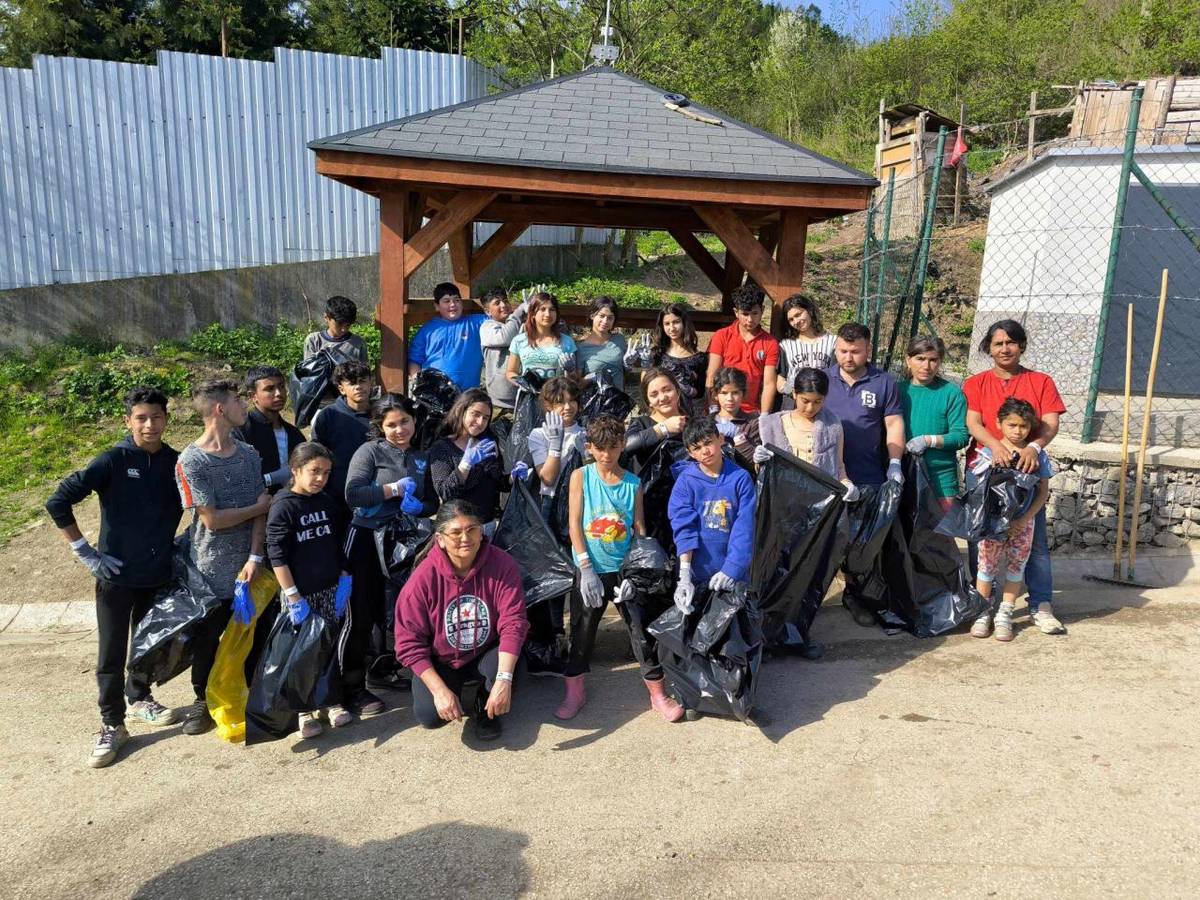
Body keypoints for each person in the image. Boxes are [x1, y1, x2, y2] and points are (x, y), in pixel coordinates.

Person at [46, 387, 184, 768]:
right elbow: (57, 501)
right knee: (110, 651)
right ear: (128, 421)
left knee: (147, 643)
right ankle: (112, 723)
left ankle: (139, 697)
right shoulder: (113, 460)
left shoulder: (176, 461)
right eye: (141, 418)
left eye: (156, 417)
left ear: (166, 419)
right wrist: (85, 552)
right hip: (116, 576)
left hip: (157, 573)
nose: (149, 424)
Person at [560, 415, 684, 723]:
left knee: (639, 631)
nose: (606, 455)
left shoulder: (633, 483)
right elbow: (574, 523)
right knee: (582, 631)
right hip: (590, 569)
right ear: (590, 448)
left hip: (624, 572)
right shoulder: (581, 476)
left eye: (613, 448)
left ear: (621, 447)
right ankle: (574, 691)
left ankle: (657, 693)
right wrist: (585, 567)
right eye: (600, 449)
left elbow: (639, 530)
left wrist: (636, 575)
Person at [174, 380, 271, 735]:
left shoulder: (249, 454)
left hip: (252, 565)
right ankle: (203, 699)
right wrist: (255, 508)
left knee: (253, 633)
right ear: (219, 409)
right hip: (209, 569)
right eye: (236, 400)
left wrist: (255, 557)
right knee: (207, 638)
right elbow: (211, 519)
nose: (243, 405)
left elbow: (264, 509)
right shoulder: (190, 461)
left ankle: (248, 694)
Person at [962, 319, 1067, 636]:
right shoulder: (976, 383)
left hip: (1026, 474)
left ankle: (1041, 604)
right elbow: (974, 422)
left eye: (1011, 342)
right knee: (983, 543)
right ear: (988, 349)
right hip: (985, 470)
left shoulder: (1041, 382)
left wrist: (1034, 447)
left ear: (1021, 345)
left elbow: (1049, 422)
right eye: (998, 343)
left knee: (1032, 543)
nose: (1004, 348)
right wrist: (994, 446)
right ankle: (983, 607)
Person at [394, 500, 528, 741]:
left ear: (481, 530)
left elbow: (513, 622)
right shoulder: (422, 579)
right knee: (430, 717)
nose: (465, 538)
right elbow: (408, 643)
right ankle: (451, 691)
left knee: (513, 667)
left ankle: (484, 706)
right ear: (440, 539)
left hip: (487, 650)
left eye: (472, 529)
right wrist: (439, 691)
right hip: (443, 659)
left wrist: (504, 680)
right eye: (455, 532)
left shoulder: (502, 565)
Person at [343, 395, 438, 703]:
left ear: (414, 420)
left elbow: (432, 503)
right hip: (367, 540)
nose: (399, 430)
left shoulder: (421, 457)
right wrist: (391, 491)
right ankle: (353, 685)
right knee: (363, 610)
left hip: (404, 540)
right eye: (391, 425)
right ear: (380, 427)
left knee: (398, 607)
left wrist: (419, 506)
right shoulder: (369, 451)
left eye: (405, 422)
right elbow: (353, 493)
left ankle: (385, 669)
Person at [668, 417, 757, 717]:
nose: (705, 451)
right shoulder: (686, 482)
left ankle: (735, 698)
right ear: (689, 453)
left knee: (731, 640)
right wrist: (684, 575)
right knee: (695, 638)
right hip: (697, 573)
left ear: (720, 439)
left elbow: (744, 529)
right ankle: (695, 696)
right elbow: (683, 527)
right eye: (697, 447)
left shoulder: (741, 479)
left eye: (708, 442)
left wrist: (732, 569)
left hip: (732, 575)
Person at [265, 442, 354, 737]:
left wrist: (343, 575)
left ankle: (331, 701)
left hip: (329, 589)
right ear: (295, 470)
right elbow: (277, 555)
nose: (320, 478)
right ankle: (303, 711)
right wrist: (291, 595)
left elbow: (335, 542)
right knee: (301, 652)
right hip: (300, 594)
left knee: (328, 646)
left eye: (326, 473)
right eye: (314, 471)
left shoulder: (326, 502)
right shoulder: (283, 505)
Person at [968, 399, 1052, 642]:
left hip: (1022, 526)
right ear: (999, 424)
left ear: (1031, 428)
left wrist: (1024, 519)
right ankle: (982, 613)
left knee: (1016, 569)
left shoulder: (1038, 457)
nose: (1017, 431)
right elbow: (978, 490)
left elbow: (1042, 492)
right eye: (1012, 425)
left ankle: (1005, 615)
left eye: (1023, 426)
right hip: (992, 525)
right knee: (986, 569)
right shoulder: (986, 454)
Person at [822, 322, 905, 487]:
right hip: (826, 473)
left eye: (855, 352)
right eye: (843, 351)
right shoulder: (822, 380)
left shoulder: (884, 382)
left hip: (868, 474)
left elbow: (894, 423)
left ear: (868, 349)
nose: (848, 358)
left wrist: (895, 463)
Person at [755, 368, 858, 498]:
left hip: (822, 503)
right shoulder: (772, 426)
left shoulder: (833, 426)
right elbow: (761, 471)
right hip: (782, 502)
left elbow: (838, 467)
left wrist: (847, 485)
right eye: (805, 401)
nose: (810, 408)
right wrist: (759, 461)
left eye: (817, 402)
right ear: (794, 394)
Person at [898, 336, 968, 510]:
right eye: (920, 359)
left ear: (940, 362)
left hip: (940, 479)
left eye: (933, 360)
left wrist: (929, 440)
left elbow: (960, 436)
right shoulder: (898, 391)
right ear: (908, 360)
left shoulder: (951, 393)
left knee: (940, 535)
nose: (926, 366)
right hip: (902, 474)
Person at [428, 388, 509, 523]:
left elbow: (498, 483)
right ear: (461, 411)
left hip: (486, 523)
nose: (480, 422)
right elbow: (445, 492)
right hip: (459, 526)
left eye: (485, 418)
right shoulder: (442, 448)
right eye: (475, 414)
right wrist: (465, 464)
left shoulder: (487, 444)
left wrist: (512, 478)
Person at [705, 284, 779, 414]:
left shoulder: (770, 343)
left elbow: (769, 384)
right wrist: (713, 409)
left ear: (762, 309)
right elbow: (712, 375)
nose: (750, 319)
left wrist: (764, 416)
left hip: (752, 412)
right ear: (736, 312)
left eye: (755, 313)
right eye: (745, 314)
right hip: (722, 410)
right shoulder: (721, 336)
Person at [311, 360, 373, 512]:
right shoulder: (328, 415)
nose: (358, 387)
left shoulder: (381, 415)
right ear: (341, 389)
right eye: (352, 383)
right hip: (336, 495)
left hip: (374, 494)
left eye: (362, 381)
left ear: (371, 383)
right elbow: (316, 455)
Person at [232, 366, 305, 494]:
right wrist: (271, 478)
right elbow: (235, 480)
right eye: (270, 389)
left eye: (281, 386)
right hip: (255, 507)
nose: (279, 393)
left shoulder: (294, 433)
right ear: (253, 396)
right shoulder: (241, 431)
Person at [407, 282, 489, 392]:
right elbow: (414, 360)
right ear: (437, 306)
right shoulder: (427, 330)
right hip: (436, 393)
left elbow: (498, 318)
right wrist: (420, 384)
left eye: (456, 300)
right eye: (446, 301)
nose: (453, 304)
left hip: (468, 393)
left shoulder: (476, 323)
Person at [627, 302, 708, 407]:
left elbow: (700, 393)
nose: (672, 328)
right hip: (661, 410)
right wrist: (646, 365)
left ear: (684, 323)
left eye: (676, 322)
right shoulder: (657, 353)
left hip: (687, 414)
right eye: (667, 324)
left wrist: (684, 386)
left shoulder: (699, 358)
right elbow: (646, 385)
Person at [622, 367, 688, 473]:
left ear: (677, 391)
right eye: (654, 394)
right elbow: (624, 447)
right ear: (649, 402)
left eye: (667, 390)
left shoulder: (692, 423)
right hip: (652, 488)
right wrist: (663, 428)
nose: (662, 398)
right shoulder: (641, 424)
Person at [777, 294, 836, 408]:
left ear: (809, 310)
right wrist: (794, 391)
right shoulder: (786, 345)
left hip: (823, 403)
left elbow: (837, 377)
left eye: (798, 315)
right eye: (791, 319)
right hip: (793, 404)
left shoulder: (833, 342)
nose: (796, 321)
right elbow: (780, 381)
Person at [506, 291, 577, 385]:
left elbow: (574, 379)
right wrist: (521, 383)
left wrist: (570, 371)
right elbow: (510, 372)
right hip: (529, 396)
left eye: (552, 310)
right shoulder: (519, 341)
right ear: (533, 314)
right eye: (542, 309)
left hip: (556, 397)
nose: (547, 314)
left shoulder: (567, 342)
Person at [478, 287, 527, 414]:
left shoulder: (518, 325)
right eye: (497, 303)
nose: (503, 305)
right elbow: (505, 336)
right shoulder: (487, 327)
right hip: (499, 403)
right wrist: (519, 311)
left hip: (522, 397)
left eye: (505, 301)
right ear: (487, 311)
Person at [575, 296, 628, 390]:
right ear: (592, 315)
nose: (605, 321)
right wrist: (591, 378)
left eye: (610, 318)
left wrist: (628, 366)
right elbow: (577, 385)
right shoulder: (581, 348)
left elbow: (624, 372)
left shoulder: (619, 340)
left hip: (618, 400)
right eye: (601, 316)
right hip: (594, 401)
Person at [710, 366, 759, 469]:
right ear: (715, 394)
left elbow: (754, 463)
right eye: (724, 393)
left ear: (743, 394)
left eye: (735, 393)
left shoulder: (752, 423)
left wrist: (739, 437)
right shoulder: (707, 422)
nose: (730, 398)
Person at [303, 295, 368, 364]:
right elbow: (309, 371)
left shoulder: (358, 343)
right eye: (339, 324)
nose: (344, 329)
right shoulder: (314, 340)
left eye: (348, 325)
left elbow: (364, 372)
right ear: (326, 317)